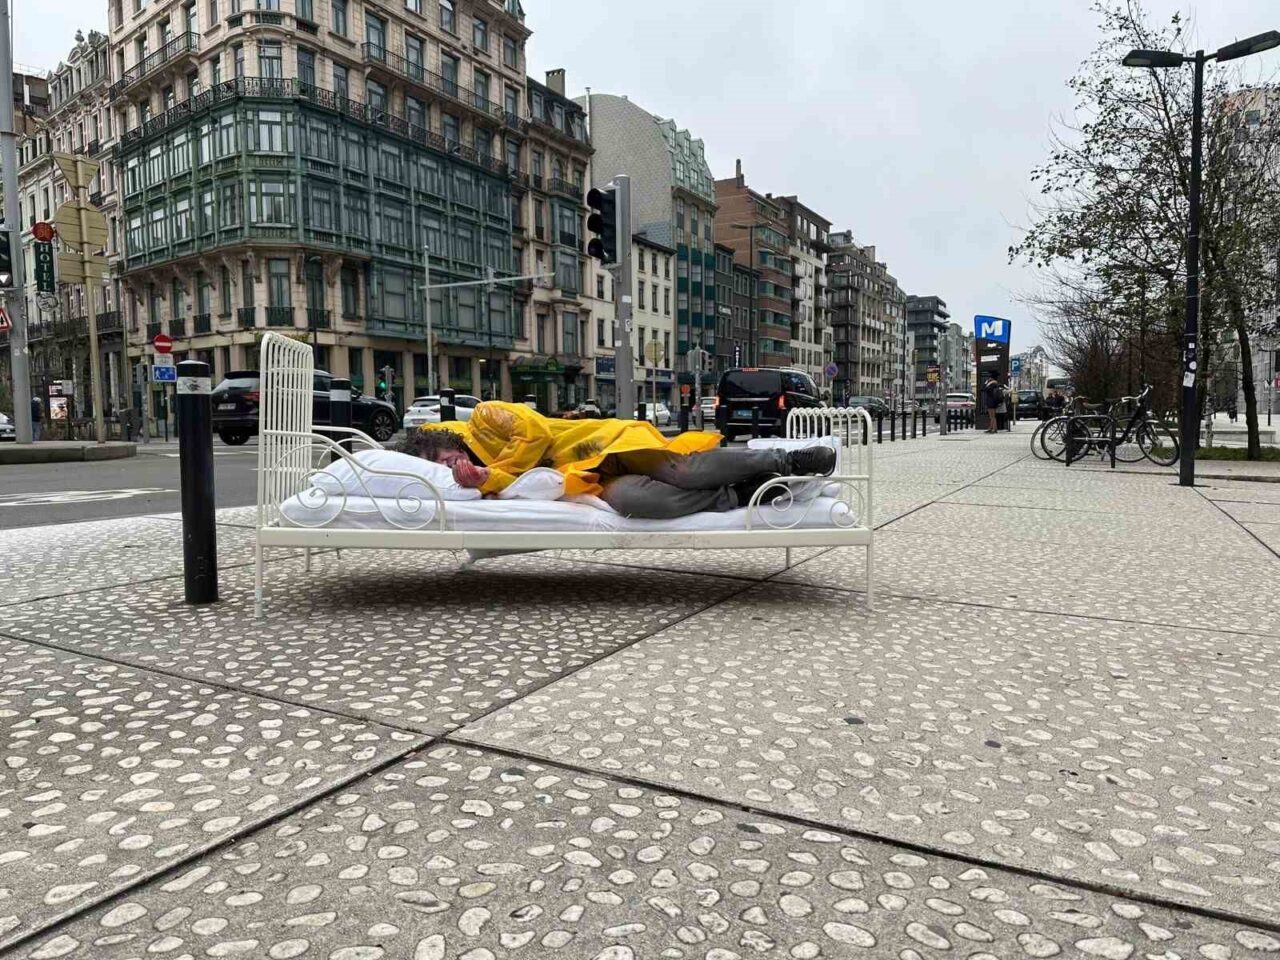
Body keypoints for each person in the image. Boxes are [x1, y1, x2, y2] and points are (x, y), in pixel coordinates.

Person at [404, 401, 837, 520]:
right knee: (638, 501)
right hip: (591, 478)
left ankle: (786, 459)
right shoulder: (481, 480)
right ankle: (742, 494)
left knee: (682, 471)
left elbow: (534, 433)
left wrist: (491, 473)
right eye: (441, 470)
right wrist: (484, 479)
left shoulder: (484, 417)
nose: (450, 468)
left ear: (448, 439)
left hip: (607, 444)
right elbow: (521, 483)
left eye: (444, 459)